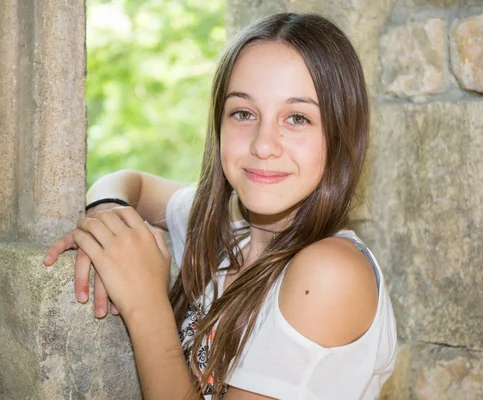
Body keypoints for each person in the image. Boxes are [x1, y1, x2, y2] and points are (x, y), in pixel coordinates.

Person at [43, 13, 397, 400]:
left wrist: (146, 303)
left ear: (341, 134)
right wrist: (107, 212)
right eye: (243, 113)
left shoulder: (330, 271)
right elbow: (132, 183)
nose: (263, 144)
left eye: (297, 118)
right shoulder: (232, 232)